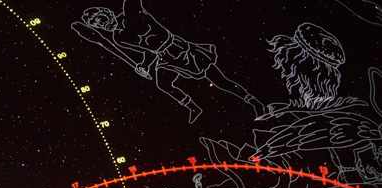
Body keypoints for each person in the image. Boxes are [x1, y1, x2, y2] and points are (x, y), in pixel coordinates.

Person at [72, 0, 265, 123]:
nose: (102, 24)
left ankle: (255, 103)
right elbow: (148, 52)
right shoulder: (119, 38)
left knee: (217, 79)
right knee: (163, 83)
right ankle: (193, 107)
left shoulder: (131, 13)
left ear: (107, 12)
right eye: (97, 24)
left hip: (179, 49)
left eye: (101, 19)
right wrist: (144, 66)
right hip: (164, 57)